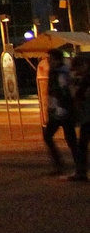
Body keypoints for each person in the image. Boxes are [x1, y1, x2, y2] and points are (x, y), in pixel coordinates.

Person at [42, 47, 75, 175]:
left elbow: (64, 91)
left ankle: (68, 165)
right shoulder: (55, 71)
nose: (48, 61)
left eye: (50, 59)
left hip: (63, 111)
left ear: (56, 59)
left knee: (67, 139)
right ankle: (70, 165)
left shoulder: (61, 72)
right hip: (58, 111)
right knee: (68, 139)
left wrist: (60, 108)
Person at [70, 53, 90, 182]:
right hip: (87, 117)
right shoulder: (86, 76)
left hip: (88, 117)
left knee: (82, 144)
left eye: (78, 69)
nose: (77, 72)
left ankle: (81, 172)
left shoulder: (88, 77)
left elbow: (81, 94)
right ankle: (81, 172)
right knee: (82, 144)